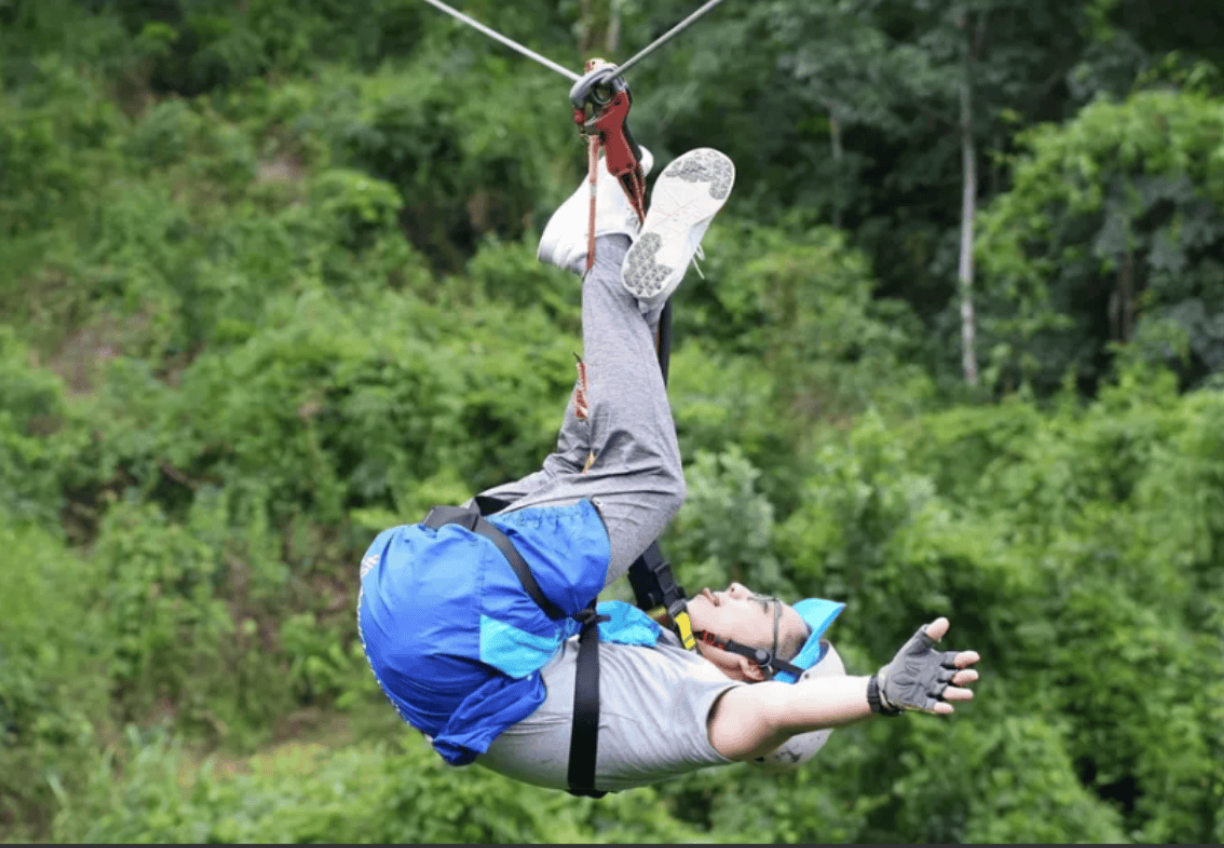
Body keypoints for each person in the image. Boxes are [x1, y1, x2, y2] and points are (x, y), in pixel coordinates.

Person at [356, 147, 982, 794]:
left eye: (763, 605)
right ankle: (626, 260)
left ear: (758, 668)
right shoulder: (657, 668)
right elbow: (577, 488)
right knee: (582, 468)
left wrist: (876, 693)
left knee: (655, 483)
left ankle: (594, 248)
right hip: (410, 584)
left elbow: (768, 718)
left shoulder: (704, 709)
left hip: (454, 617)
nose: (741, 587)